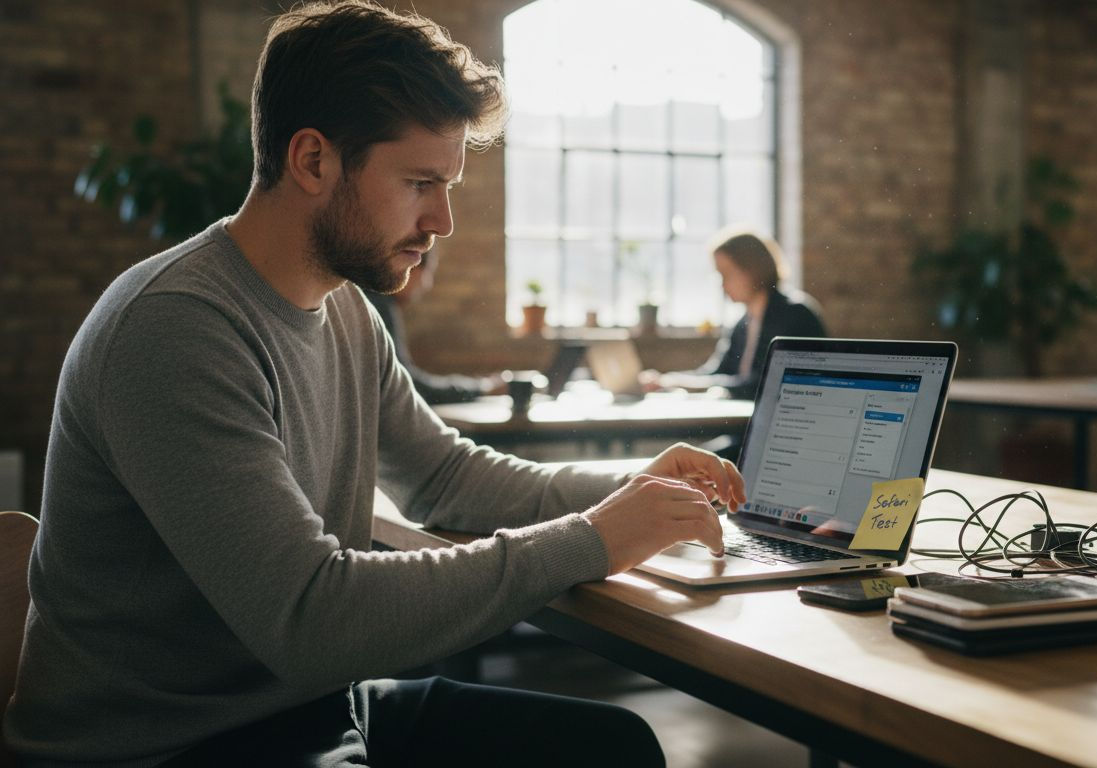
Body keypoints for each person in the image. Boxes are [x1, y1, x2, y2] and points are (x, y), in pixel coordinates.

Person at [3, 3, 742, 766]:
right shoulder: (175, 330)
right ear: (314, 161)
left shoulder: (346, 309)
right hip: (171, 748)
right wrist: (591, 540)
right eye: (421, 182)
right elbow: (311, 622)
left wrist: (628, 490)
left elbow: (447, 477)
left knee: (612, 747)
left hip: (308, 708)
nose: (444, 220)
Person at [648, 230, 827, 400]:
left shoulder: (795, 314)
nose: (722, 285)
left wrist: (689, 384)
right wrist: (668, 380)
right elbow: (718, 372)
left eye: (726, 274)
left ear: (752, 269)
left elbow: (764, 384)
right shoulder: (743, 323)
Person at [360, 249, 501, 403]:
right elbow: (409, 387)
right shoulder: (378, 306)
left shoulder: (369, 301)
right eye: (428, 272)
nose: (427, 284)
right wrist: (480, 389)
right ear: (410, 267)